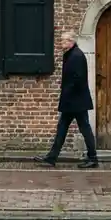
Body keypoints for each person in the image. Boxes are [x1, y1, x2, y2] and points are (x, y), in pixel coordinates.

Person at [34, 31, 99, 169]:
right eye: (61, 40)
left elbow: (78, 79)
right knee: (63, 128)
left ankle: (93, 158)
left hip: (76, 101)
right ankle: (51, 158)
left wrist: (68, 94)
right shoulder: (71, 55)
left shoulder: (76, 56)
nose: (61, 43)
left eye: (64, 40)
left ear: (71, 41)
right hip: (72, 101)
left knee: (84, 128)